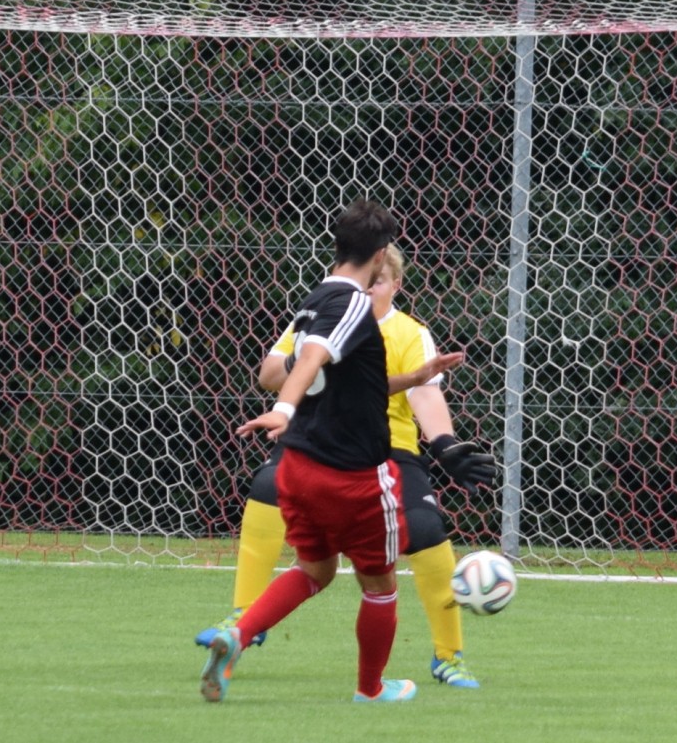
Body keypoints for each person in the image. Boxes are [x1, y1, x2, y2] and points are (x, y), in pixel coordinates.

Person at [196, 244, 498, 689]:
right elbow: (270, 374)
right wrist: (314, 353)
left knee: (426, 529)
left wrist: (445, 444)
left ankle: (449, 656)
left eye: (381, 283)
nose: (371, 289)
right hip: (320, 442)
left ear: (396, 285)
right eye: (368, 282)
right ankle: (244, 618)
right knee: (266, 486)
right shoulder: (324, 317)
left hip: (386, 450)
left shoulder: (409, 333)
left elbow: (423, 392)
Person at [202, 197, 411, 704]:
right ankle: (370, 689)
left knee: (316, 570)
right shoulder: (355, 303)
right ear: (380, 256)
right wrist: (284, 408)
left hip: (297, 466)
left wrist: (415, 377)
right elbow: (314, 356)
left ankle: (239, 634)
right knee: (380, 586)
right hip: (353, 475)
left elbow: (320, 371)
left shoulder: (314, 300)